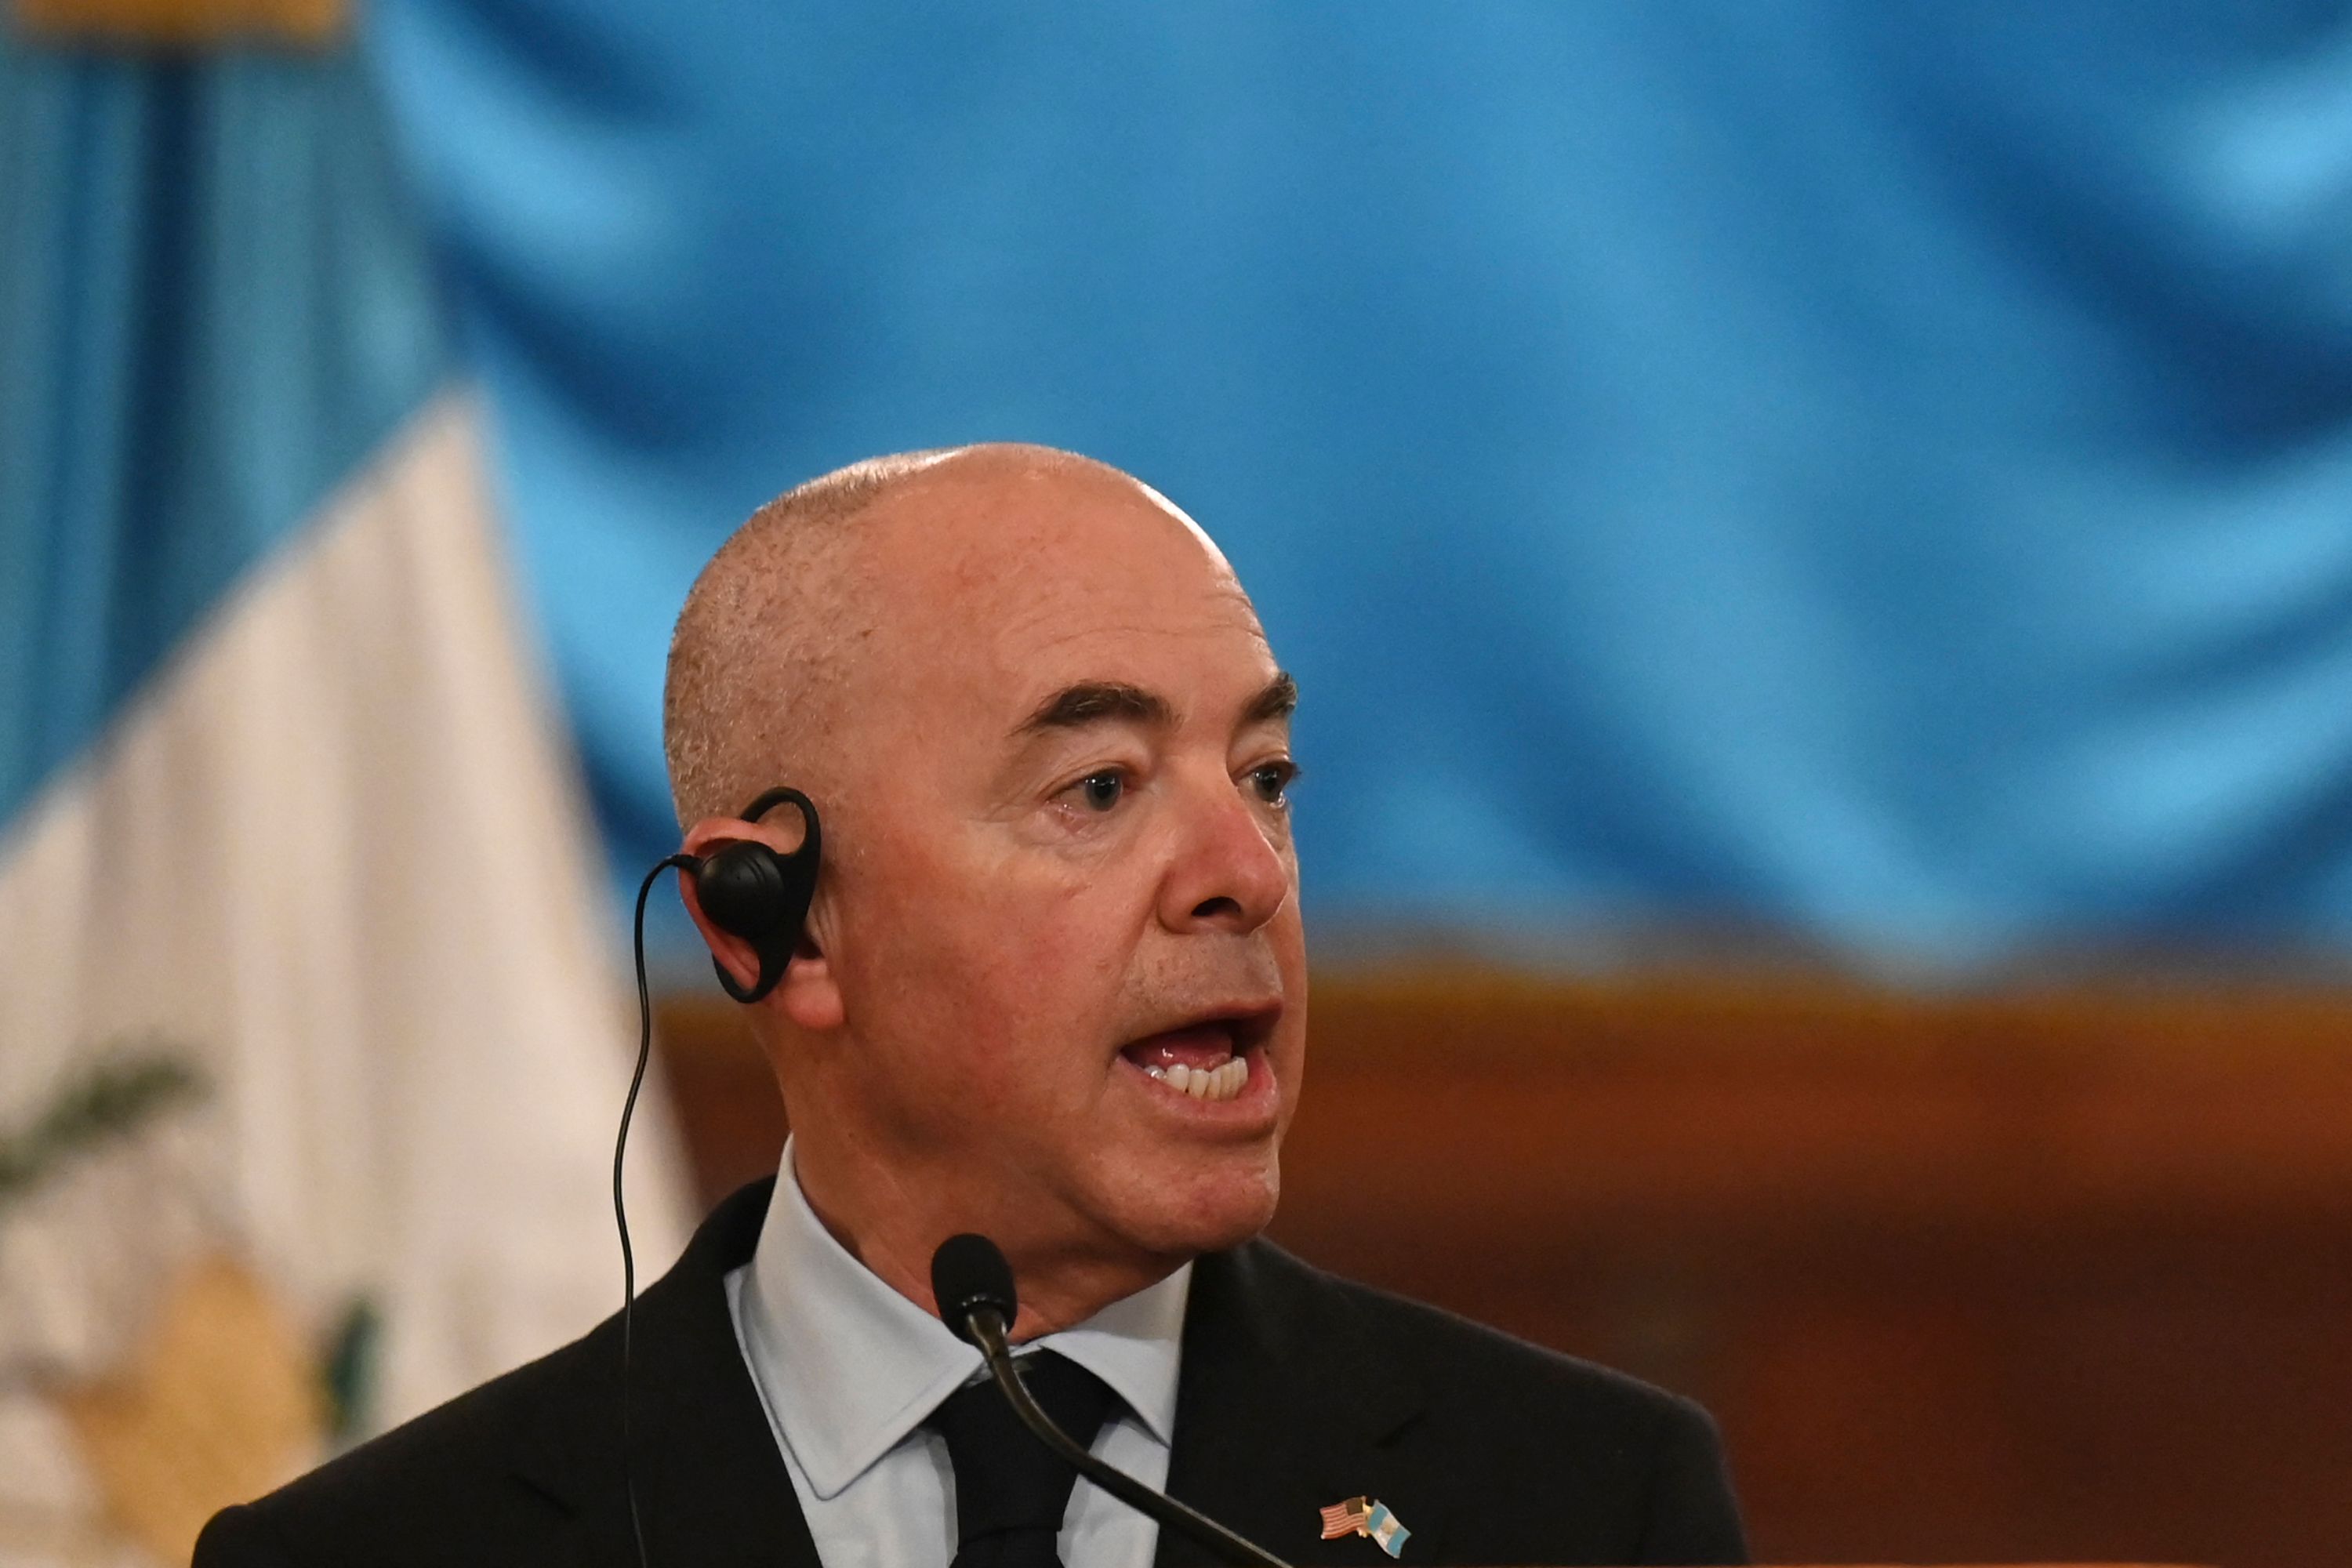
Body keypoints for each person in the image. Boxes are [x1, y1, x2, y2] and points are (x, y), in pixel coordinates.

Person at [194, 445, 1746, 1566]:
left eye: (1266, 777)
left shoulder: (1585, 1512)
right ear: (776, 923)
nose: (1245, 873)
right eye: (1100, 787)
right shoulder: (383, 1553)